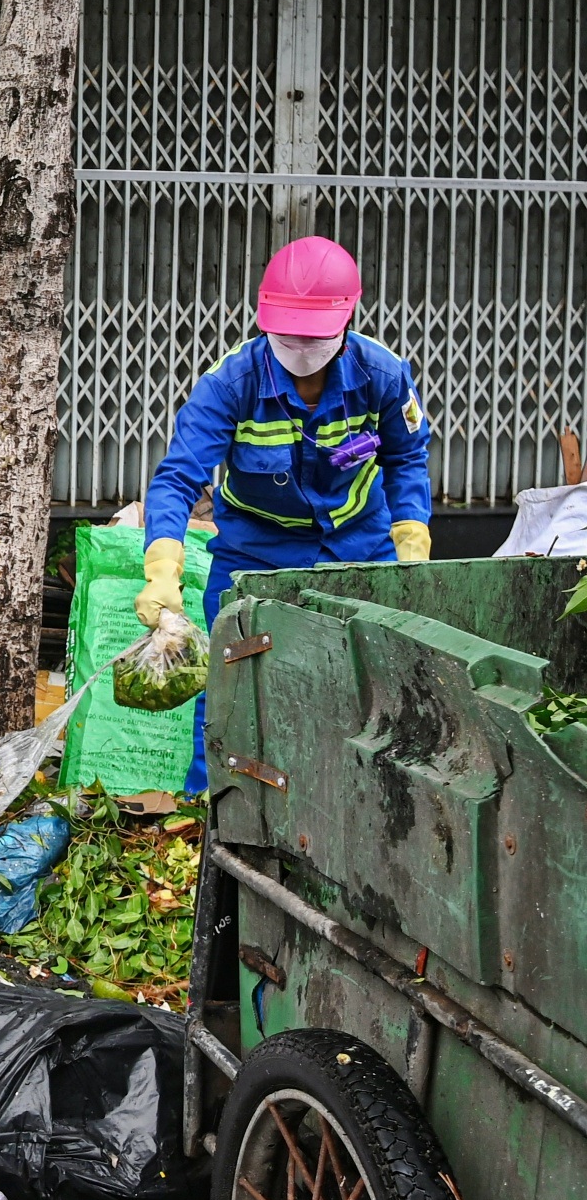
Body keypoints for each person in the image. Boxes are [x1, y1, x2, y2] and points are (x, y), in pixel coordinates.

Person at [139, 236, 433, 791]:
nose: (299, 347)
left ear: (347, 319)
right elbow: (179, 478)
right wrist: (162, 565)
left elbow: (407, 458)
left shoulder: (384, 375)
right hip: (255, 552)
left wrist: (411, 543)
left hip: (360, 546)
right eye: (287, 332)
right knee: (231, 695)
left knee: (367, 693)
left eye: (313, 333)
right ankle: (214, 816)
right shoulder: (230, 384)